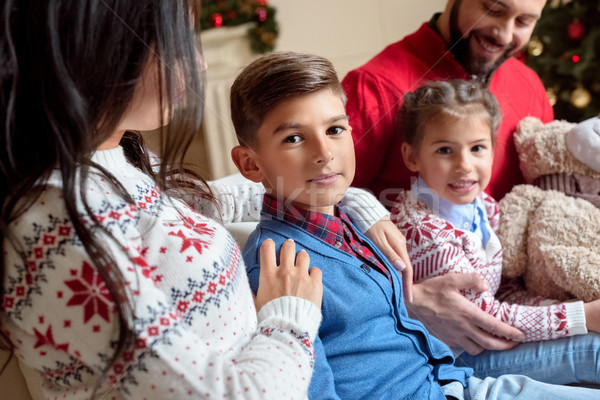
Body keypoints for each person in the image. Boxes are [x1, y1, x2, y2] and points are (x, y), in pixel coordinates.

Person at [230, 50, 599, 399]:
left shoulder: (355, 220)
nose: (325, 153)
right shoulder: (278, 267)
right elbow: (307, 384)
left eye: (335, 130)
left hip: (452, 383)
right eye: (294, 138)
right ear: (250, 164)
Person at [0, 2, 324, 399]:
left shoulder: (116, 156)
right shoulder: (58, 220)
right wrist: (288, 315)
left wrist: (349, 197)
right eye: (182, 40)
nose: (198, 63)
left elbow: (204, 204)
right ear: (105, 46)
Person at [342, 0, 552, 355]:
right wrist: (409, 299)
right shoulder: (374, 87)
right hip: (431, 339)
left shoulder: (527, 84)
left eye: (524, 21)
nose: (503, 34)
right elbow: (313, 209)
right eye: (494, 9)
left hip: (515, 297)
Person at [392, 78, 600, 384]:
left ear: (492, 150)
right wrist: (584, 316)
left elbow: (504, 290)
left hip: (495, 334)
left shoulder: (482, 205)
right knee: (595, 351)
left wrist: (564, 308)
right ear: (411, 156)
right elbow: (485, 318)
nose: (464, 165)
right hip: (458, 357)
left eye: (477, 148)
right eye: (445, 150)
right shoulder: (424, 232)